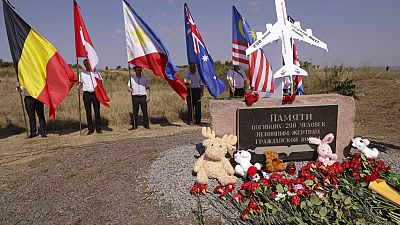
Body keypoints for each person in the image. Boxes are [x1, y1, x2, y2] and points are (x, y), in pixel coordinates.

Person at [78, 59, 103, 135]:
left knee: (97, 111)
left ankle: (98, 128)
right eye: (85, 64)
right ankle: (90, 129)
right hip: (86, 95)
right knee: (88, 112)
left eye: (87, 64)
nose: (86, 65)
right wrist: (79, 86)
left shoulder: (96, 73)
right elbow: (80, 83)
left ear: (90, 64)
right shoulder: (82, 74)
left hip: (95, 94)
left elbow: (100, 82)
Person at [127, 66, 150, 130]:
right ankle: (134, 126)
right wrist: (129, 89)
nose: (138, 71)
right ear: (135, 71)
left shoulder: (145, 78)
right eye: (137, 70)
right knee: (135, 112)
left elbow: (147, 88)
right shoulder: (132, 79)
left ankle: (146, 125)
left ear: (141, 70)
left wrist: (148, 96)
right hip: (135, 97)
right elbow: (128, 87)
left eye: (140, 70)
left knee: (145, 112)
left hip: (143, 97)